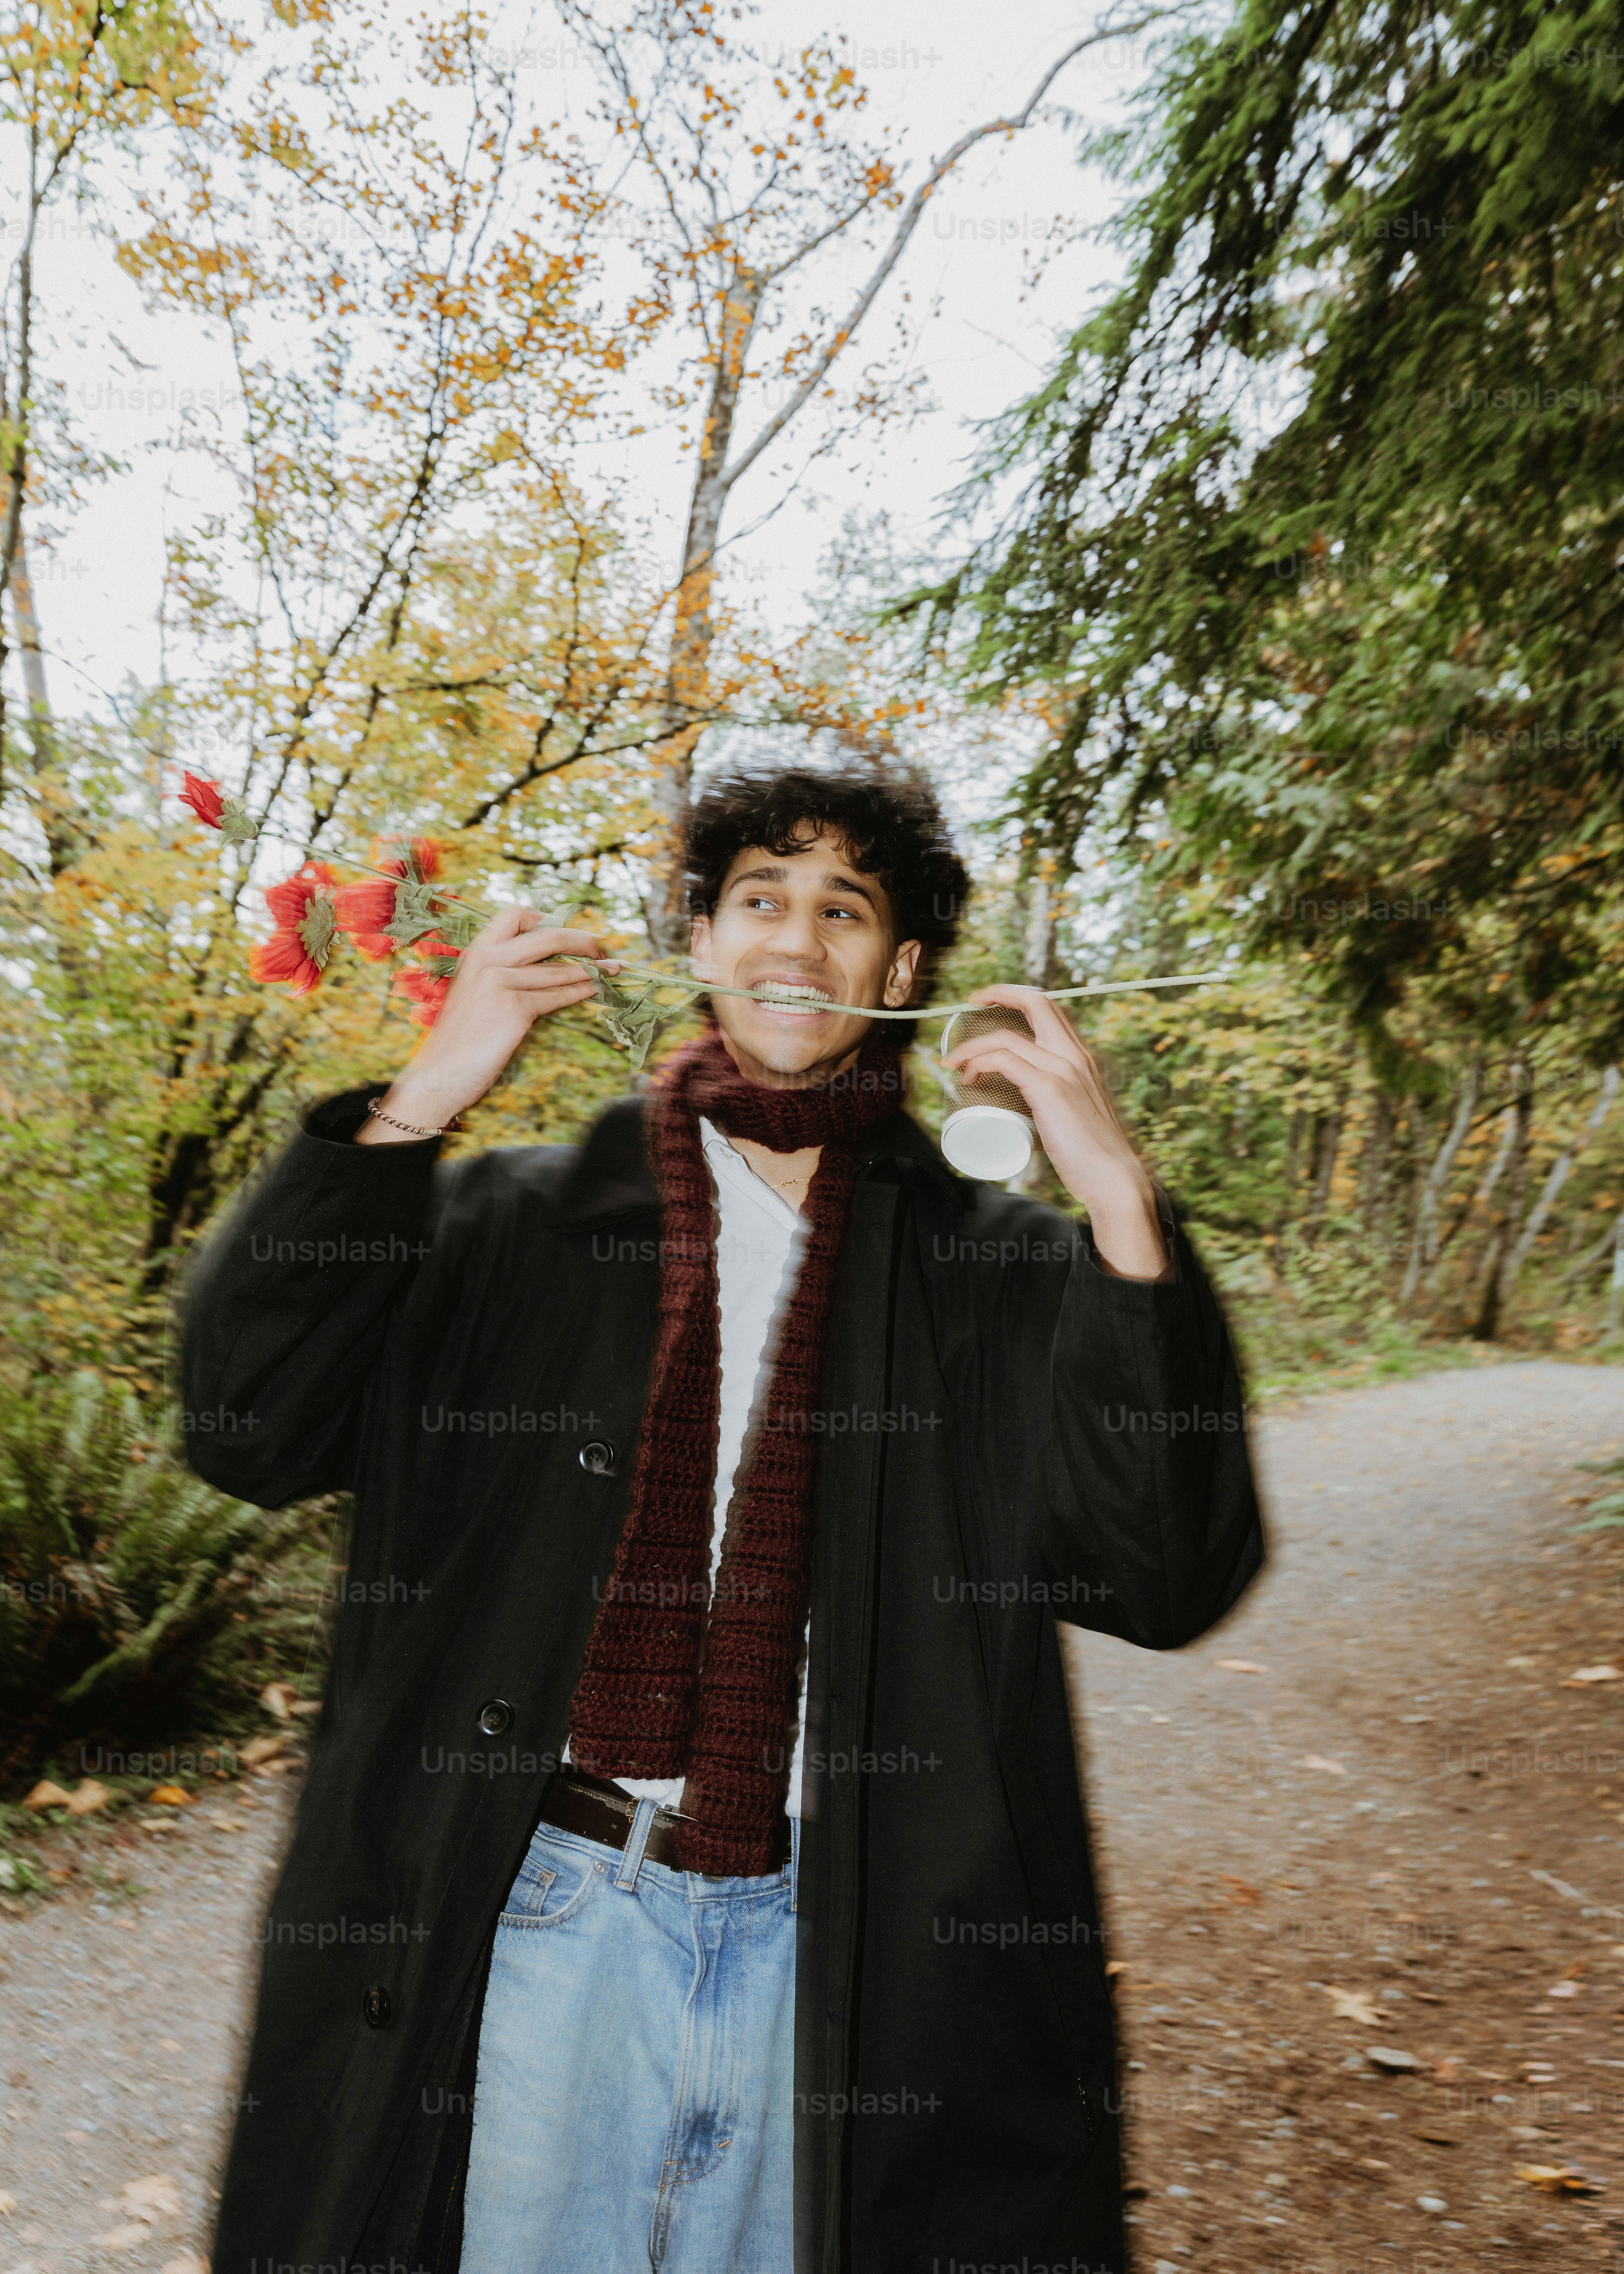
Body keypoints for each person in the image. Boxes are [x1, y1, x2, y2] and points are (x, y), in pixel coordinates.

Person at [182, 759, 1263, 2274]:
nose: (798, 939)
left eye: (846, 909)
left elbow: (1164, 1574)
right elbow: (247, 1427)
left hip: (847, 1953)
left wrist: (1123, 1206)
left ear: (902, 972)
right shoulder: (513, 1226)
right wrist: (422, 1096)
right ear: (700, 941)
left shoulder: (998, 1275)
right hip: (538, 1917)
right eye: (762, 898)